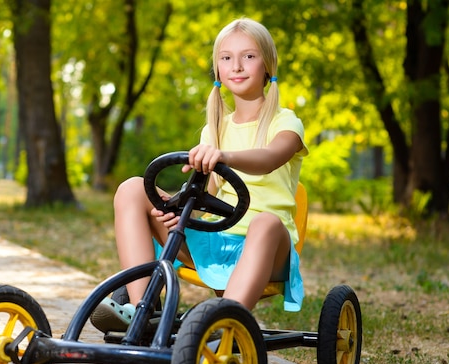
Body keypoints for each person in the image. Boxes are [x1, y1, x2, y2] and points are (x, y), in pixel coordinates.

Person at [91, 17, 308, 333]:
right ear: (218, 69)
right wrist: (176, 210)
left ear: (267, 65)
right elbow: (202, 194)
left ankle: (223, 323)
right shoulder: (214, 130)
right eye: (226, 57)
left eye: (248, 56)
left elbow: (269, 159)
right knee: (132, 189)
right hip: (217, 240)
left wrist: (224, 156)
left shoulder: (286, 122)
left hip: (270, 247)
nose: (236, 65)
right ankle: (142, 313)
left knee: (265, 222)